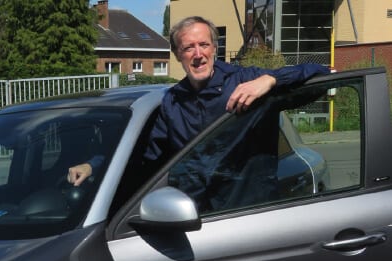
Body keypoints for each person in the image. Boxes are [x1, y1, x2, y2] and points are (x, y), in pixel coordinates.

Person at [67, 15, 329, 187]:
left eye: (203, 45)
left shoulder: (246, 79)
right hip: (197, 215)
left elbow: (321, 75)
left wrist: (271, 80)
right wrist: (94, 165)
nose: (198, 54)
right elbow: (143, 152)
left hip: (248, 211)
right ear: (177, 55)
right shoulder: (172, 101)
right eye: (188, 48)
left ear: (215, 48)